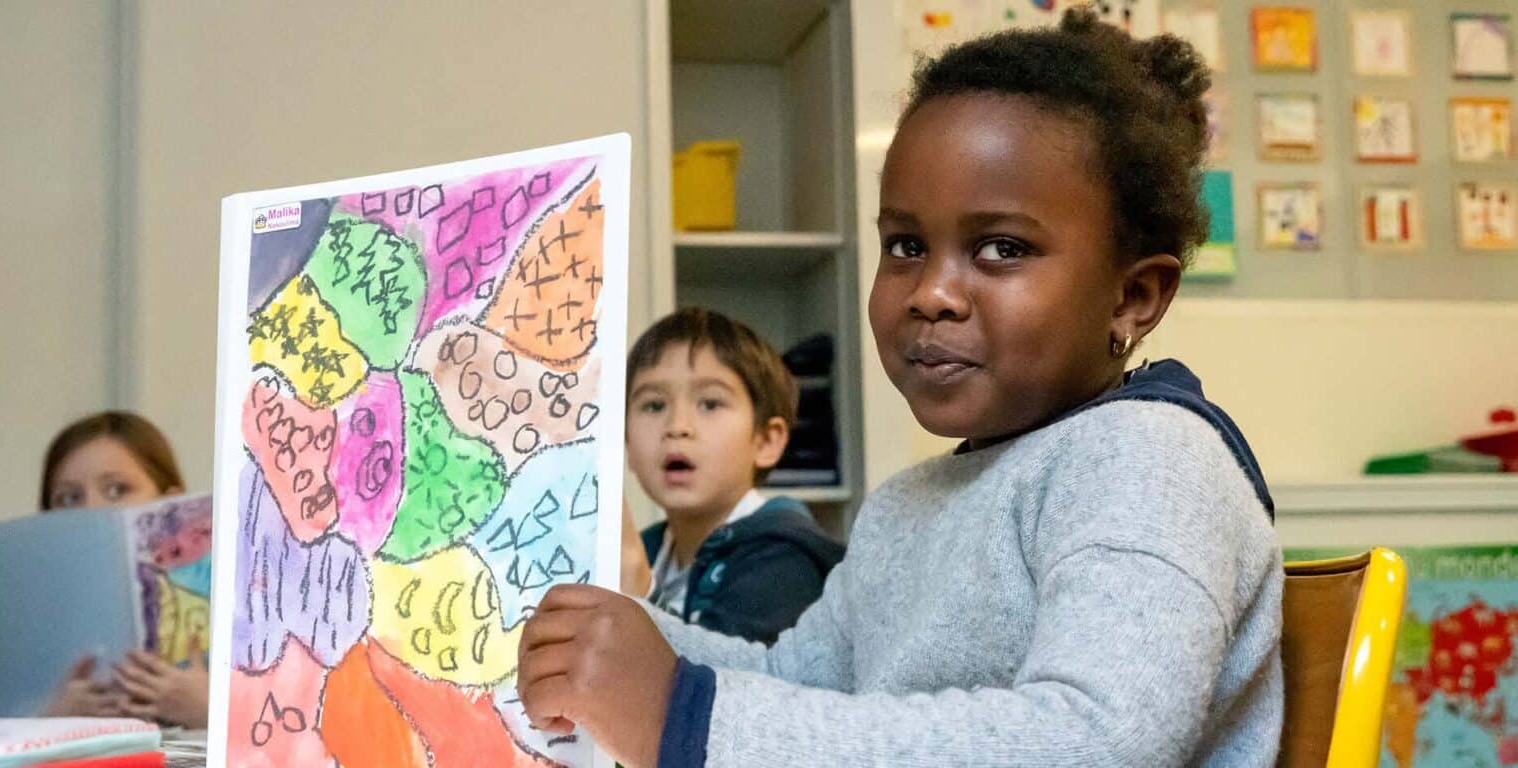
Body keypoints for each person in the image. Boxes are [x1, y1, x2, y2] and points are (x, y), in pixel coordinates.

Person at [515, 10, 1282, 767]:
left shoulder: (1149, 460)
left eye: (1001, 248)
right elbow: (798, 681)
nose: (932, 293)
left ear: (1133, 297)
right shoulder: (909, 504)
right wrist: (616, 635)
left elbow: (1099, 738)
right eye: (906, 246)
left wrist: (684, 717)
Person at [620, 308, 844, 643]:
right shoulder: (645, 549)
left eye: (710, 404)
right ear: (625, 445)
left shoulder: (785, 560)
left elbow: (735, 687)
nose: (677, 427)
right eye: (654, 406)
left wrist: (642, 594)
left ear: (766, 441)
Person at [38, 411, 209, 730]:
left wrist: (208, 710)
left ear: (172, 503)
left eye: (117, 489)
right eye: (69, 497)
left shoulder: (235, 594)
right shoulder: (29, 616)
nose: (92, 508)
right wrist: (51, 720)